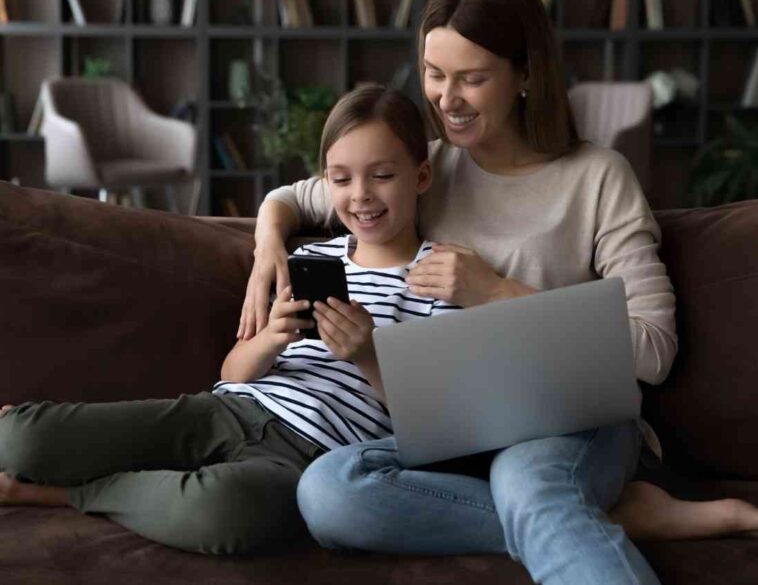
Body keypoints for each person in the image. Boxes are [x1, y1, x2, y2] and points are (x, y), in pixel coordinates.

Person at [238, 0, 758, 583]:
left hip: (568, 420)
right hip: (458, 425)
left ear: (525, 74)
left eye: (472, 78)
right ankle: (614, 517)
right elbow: (296, 196)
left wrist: (497, 293)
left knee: (528, 482)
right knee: (332, 490)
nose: (446, 99)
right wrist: (266, 247)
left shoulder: (597, 178)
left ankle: (559, 506)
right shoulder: (422, 169)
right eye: (434, 74)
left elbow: (654, 349)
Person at [0, 85, 454, 555]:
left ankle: (68, 495)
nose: (360, 196)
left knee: (223, 513)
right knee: (18, 440)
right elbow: (232, 373)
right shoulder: (314, 258)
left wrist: (369, 354)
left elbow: (435, 424)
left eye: (381, 175)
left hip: (310, 455)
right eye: (340, 180)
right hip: (227, 412)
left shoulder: (441, 278)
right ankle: (127, 483)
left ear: (420, 176)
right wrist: (273, 338)